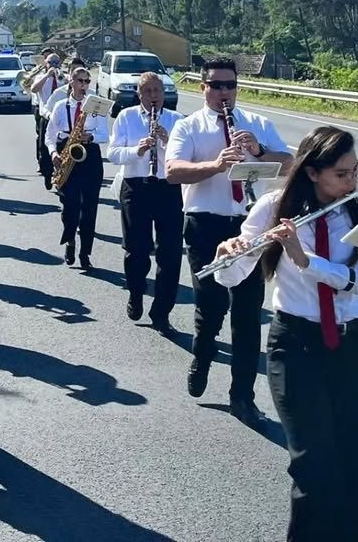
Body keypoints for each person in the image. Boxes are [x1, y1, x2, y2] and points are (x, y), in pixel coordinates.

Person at [214, 127, 358, 542]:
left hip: (354, 347)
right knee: (313, 465)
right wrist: (227, 255)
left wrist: (307, 260)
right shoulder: (274, 207)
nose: (351, 180)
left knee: (351, 465)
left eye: (354, 170)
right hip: (295, 345)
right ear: (312, 172)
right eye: (341, 173)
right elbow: (234, 277)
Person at [165, 57, 292, 431]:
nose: (225, 92)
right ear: (203, 87)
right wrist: (216, 165)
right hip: (206, 222)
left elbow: (290, 163)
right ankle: (202, 355)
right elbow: (172, 172)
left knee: (249, 313)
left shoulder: (257, 124)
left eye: (230, 85)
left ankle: (243, 397)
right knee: (210, 303)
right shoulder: (189, 126)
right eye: (217, 85)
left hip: (252, 225)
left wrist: (258, 153)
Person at [106, 73, 184, 336]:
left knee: (170, 254)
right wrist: (136, 150)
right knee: (137, 250)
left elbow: (185, 156)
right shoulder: (126, 117)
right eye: (148, 91)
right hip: (136, 187)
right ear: (139, 95)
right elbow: (113, 153)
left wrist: (166, 140)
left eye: (157, 91)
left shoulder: (176, 120)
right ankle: (136, 292)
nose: (153, 96)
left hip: (168, 189)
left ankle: (161, 313)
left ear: (164, 93)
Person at [44, 65, 110, 270]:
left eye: (87, 81)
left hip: (89, 156)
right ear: (71, 82)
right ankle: (70, 239)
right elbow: (49, 134)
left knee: (90, 208)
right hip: (67, 152)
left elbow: (106, 135)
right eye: (80, 81)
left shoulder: (96, 106)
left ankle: (85, 252)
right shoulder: (60, 106)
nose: (84, 85)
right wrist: (54, 153)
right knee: (70, 206)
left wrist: (90, 136)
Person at [31, 53, 65, 188]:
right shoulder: (40, 77)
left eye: (56, 62)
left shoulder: (63, 77)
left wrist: (62, 78)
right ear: (46, 63)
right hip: (46, 117)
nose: (54, 65)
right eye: (51, 62)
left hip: (61, 118)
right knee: (45, 148)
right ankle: (47, 173)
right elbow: (34, 89)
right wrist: (47, 76)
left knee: (61, 147)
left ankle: (59, 176)